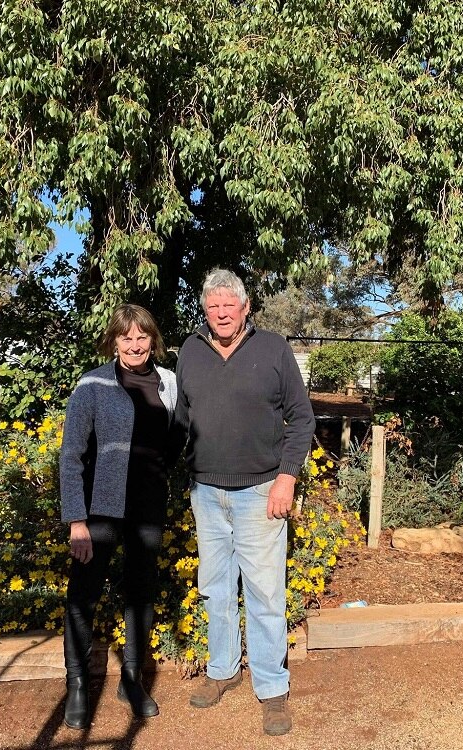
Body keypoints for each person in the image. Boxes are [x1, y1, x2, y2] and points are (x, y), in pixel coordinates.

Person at [175, 269, 315, 737]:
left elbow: (301, 418)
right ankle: (223, 670)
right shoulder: (191, 351)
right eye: (213, 306)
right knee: (215, 587)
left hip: (261, 492)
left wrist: (286, 478)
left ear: (245, 306)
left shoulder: (273, 349)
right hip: (207, 492)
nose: (220, 314)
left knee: (264, 592)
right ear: (206, 309)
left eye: (228, 306)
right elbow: (182, 419)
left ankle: (273, 689)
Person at [58, 304, 183, 729]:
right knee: (84, 595)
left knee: (140, 594)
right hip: (99, 509)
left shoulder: (168, 382)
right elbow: (71, 454)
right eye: (126, 337)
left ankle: (131, 678)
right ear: (114, 341)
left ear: (153, 339)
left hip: (147, 507)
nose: (134, 344)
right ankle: (76, 683)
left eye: (142, 336)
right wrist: (76, 519)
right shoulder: (92, 383)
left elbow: (176, 439)